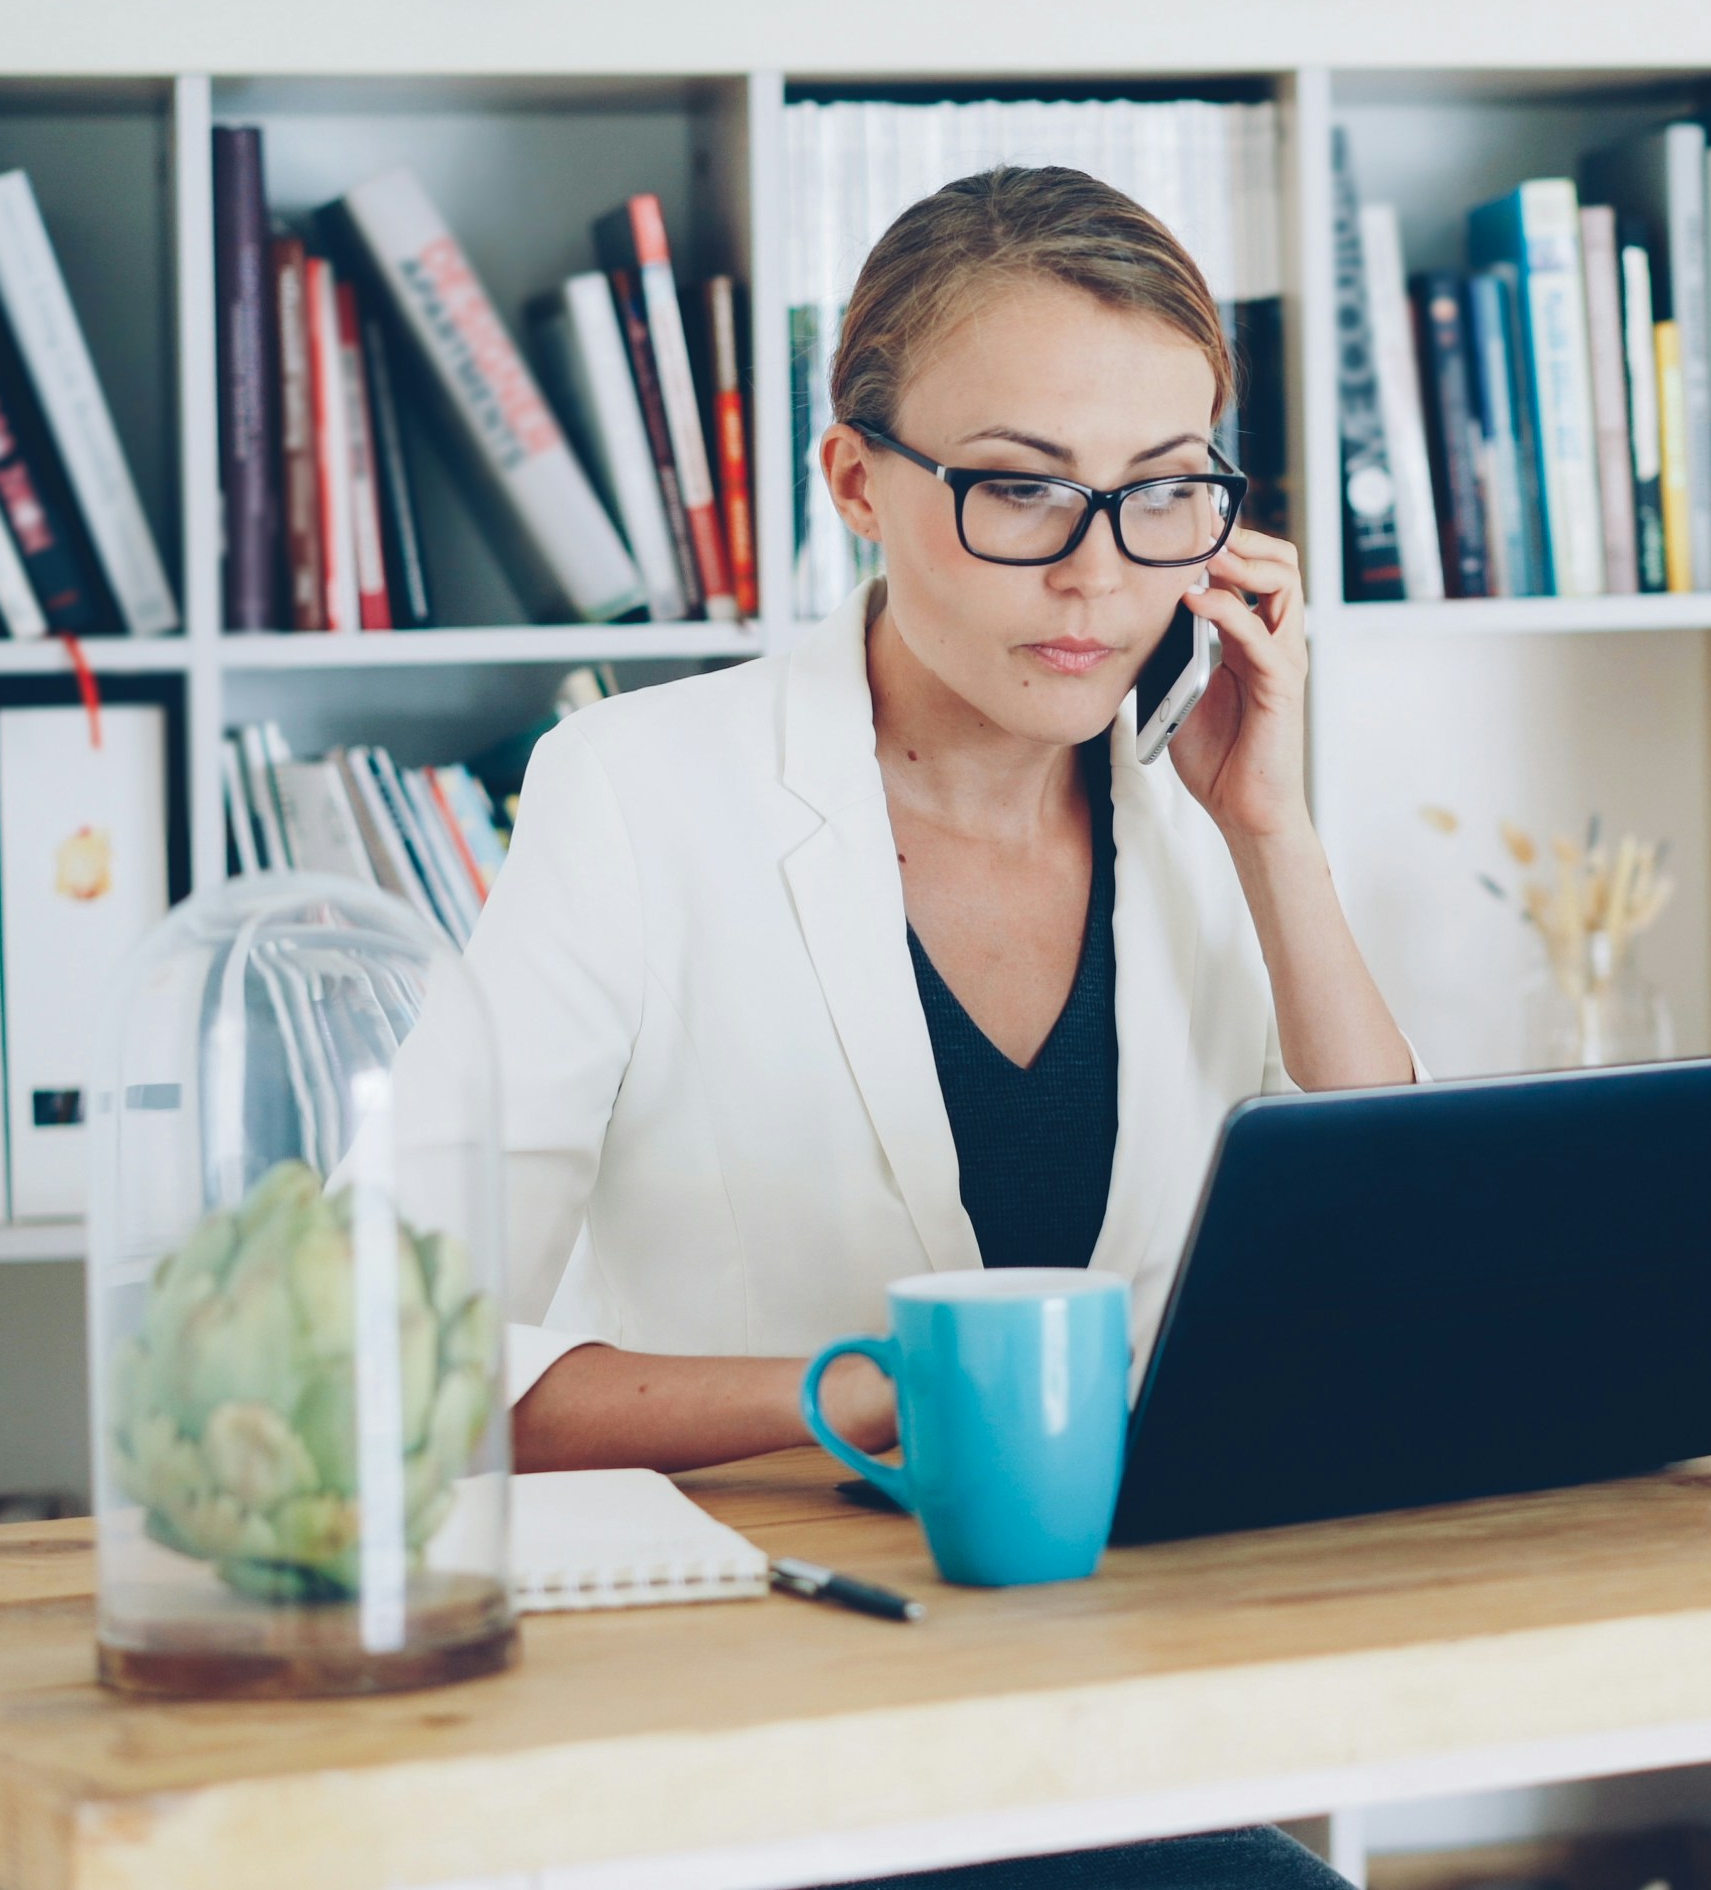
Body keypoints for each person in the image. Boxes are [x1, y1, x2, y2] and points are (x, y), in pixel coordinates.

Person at [459, 166, 1406, 1887]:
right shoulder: (635, 791)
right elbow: (425, 1355)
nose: (1101, 579)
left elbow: (1391, 1249)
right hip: (747, 1737)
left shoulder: (1197, 815)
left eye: (1164, 495)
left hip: (1120, 1719)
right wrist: (883, 1398)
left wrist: (1277, 832)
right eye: (1019, 493)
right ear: (856, 484)